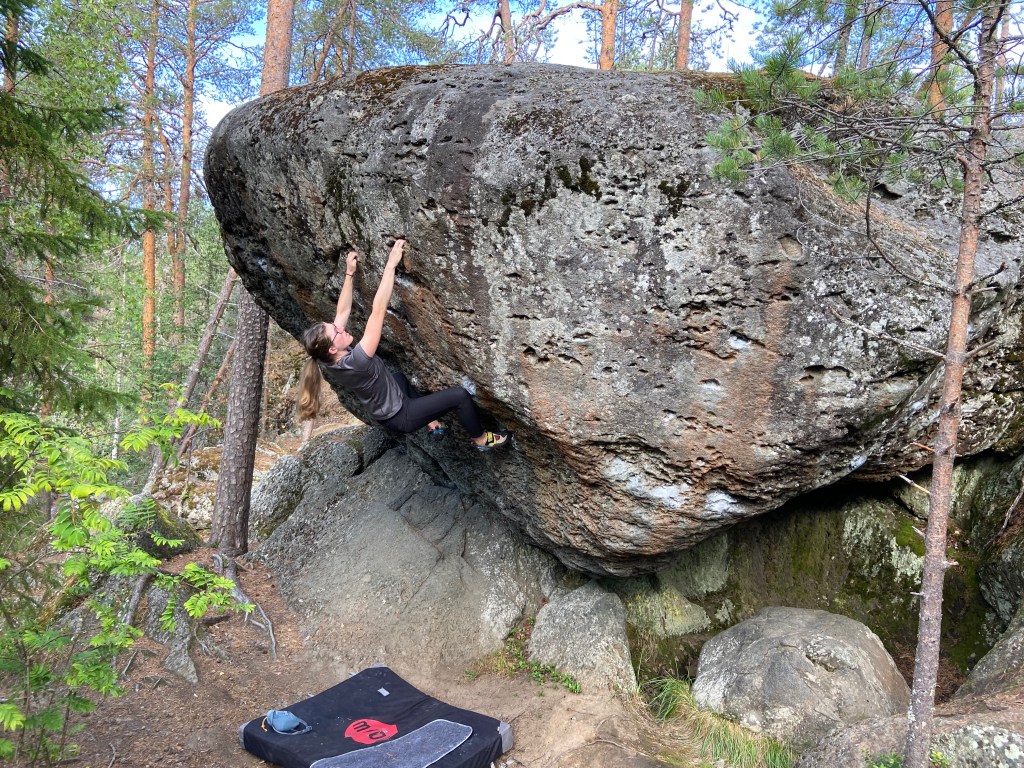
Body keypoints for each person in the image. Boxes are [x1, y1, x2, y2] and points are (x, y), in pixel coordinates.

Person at [297, 239, 510, 452]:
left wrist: (349, 273)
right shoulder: (357, 361)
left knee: (398, 377)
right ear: (333, 349)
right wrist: (390, 265)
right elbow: (378, 310)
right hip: (401, 416)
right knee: (460, 396)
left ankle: (432, 422)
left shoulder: (330, 355)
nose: (340, 328)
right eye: (336, 332)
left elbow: (342, 312)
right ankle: (480, 439)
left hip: (384, 408)